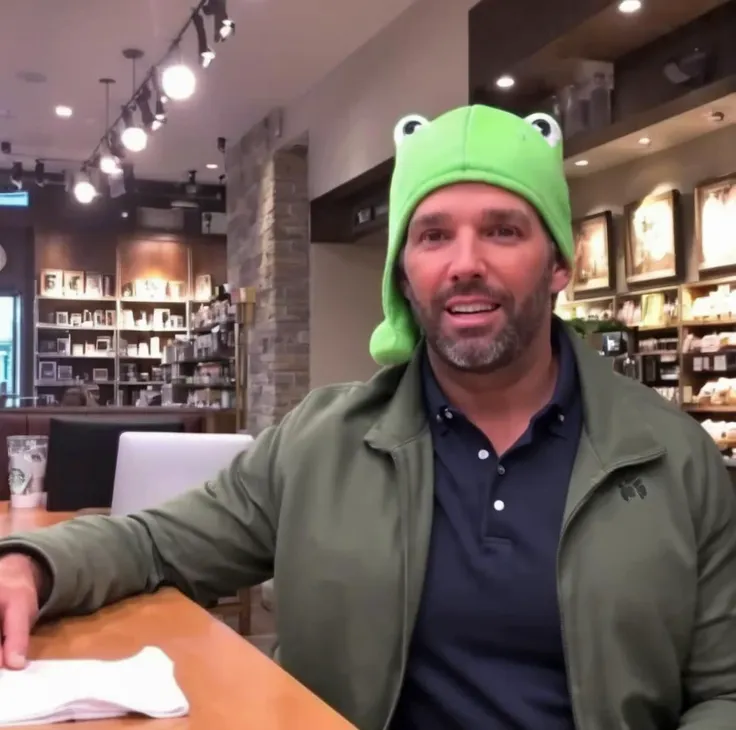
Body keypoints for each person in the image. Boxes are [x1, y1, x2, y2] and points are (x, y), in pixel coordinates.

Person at [1, 105, 735, 730]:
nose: (465, 263)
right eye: (433, 235)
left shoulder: (673, 458)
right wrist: (32, 564)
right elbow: (156, 544)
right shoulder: (320, 443)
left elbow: (723, 690)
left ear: (559, 263)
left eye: (504, 231)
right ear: (402, 273)